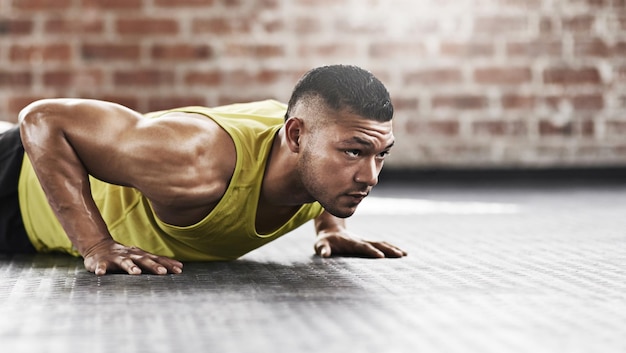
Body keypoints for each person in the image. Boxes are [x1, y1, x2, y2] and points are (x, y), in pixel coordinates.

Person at [0, 64, 407, 276]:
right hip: (16, 181)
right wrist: (94, 245)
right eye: (354, 153)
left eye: (381, 154)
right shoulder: (194, 162)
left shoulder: (314, 151)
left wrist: (332, 229)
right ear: (296, 137)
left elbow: (327, 154)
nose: (371, 177)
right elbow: (42, 119)